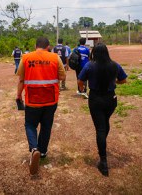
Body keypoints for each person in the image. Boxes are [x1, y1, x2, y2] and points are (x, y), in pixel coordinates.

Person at [16, 36, 66, 175]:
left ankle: (34, 149)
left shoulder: (26, 58)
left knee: (30, 125)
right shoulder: (55, 57)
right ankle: (42, 152)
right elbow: (62, 77)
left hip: (32, 100)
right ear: (48, 46)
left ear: (35, 45)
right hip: (51, 99)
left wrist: (18, 95)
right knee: (46, 125)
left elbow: (21, 79)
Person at [77, 43, 127, 177]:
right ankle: (102, 142)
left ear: (94, 53)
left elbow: (80, 80)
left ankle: (103, 161)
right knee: (105, 123)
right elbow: (124, 80)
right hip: (111, 99)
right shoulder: (115, 65)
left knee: (100, 128)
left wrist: (82, 90)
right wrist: (114, 82)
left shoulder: (89, 65)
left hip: (96, 99)